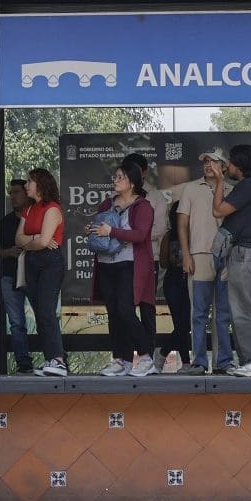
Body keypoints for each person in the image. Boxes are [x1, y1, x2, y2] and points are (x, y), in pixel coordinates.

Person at [90, 161, 157, 376]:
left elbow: (139, 235)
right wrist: (93, 231)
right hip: (106, 263)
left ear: (132, 182)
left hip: (130, 264)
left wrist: (111, 232)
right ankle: (121, 360)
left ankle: (146, 358)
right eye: (115, 177)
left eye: (120, 177)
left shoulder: (143, 206)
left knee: (126, 311)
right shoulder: (106, 204)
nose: (115, 181)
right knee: (113, 313)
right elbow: (100, 227)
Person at [211, 144, 251, 377]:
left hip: (248, 252)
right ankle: (250, 362)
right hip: (247, 252)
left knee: (247, 307)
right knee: (241, 308)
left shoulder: (249, 185)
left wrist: (218, 182)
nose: (228, 167)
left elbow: (218, 210)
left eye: (231, 163)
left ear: (241, 165)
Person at [177, 147, 234, 375]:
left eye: (213, 161)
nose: (208, 165)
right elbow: (182, 223)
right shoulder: (191, 188)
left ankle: (224, 362)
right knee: (198, 313)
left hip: (227, 258)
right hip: (199, 255)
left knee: (223, 313)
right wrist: (186, 254)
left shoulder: (233, 190)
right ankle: (199, 362)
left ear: (224, 166)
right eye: (205, 161)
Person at [15, 168, 67, 377]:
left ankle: (58, 359)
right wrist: (35, 238)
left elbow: (45, 242)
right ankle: (50, 358)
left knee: (46, 310)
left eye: (30, 181)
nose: (27, 185)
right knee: (39, 312)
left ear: (41, 185)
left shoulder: (52, 209)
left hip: (50, 263)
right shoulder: (29, 210)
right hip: (32, 262)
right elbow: (18, 239)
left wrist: (34, 240)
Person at [122, 152, 169, 368]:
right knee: (123, 309)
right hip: (121, 260)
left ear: (144, 172)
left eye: (134, 170)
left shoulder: (155, 197)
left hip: (148, 258)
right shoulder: (118, 197)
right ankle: (124, 358)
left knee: (147, 309)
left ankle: (148, 356)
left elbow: (159, 229)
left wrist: (131, 235)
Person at [0, 179, 34, 374]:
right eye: (11, 193)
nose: (12, 196)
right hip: (10, 277)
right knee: (16, 323)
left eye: (17, 192)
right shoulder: (4, 222)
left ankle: (54, 359)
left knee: (45, 317)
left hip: (33, 276)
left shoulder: (36, 218)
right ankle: (24, 364)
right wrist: (7, 252)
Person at [160, 197, 191, 371]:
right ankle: (186, 363)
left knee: (185, 324)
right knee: (180, 325)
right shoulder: (169, 236)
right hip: (173, 280)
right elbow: (164, 262)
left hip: (190, 280)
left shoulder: (194, 233)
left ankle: (163, 352)